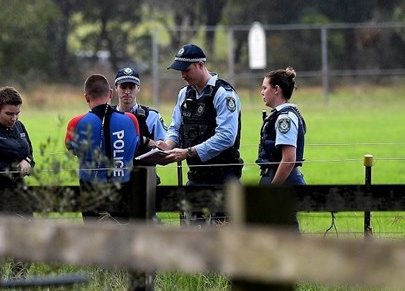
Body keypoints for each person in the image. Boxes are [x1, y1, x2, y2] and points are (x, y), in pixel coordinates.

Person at [156, 44, 243, 223]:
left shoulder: (223, 94)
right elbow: (175, 127)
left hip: (224, 176)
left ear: (201, 65)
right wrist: (168, 145)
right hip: (196, 176)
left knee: (225, 236)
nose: (183, 75)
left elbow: (226, 137)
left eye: (186, 70)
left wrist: (188, 152)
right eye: (180, 71)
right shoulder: (183, 94)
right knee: (192, 237)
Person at [65, 74, 140, 223]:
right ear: (111, 93)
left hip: (91, 193)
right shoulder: (131, 120)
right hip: (124, 191)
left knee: (94, 241)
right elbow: (135, 146)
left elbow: (71, 148)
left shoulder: (75, 123)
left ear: (86, 97)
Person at [113, 67, 167, 179]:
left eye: (131, 87)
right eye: (123, 87)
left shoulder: (152, 116)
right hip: (114, 180)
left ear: (138, 88)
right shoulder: (107, 116)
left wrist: (145, 141)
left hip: (145, 179)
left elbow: (166, 148)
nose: (127, 92)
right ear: (116, 88)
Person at [257, 67, 306, 186]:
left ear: (276, 89)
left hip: (283, 179)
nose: (262, 92)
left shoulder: (285, 118)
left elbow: (288, 160)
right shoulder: (279, 115)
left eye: (265, 88)